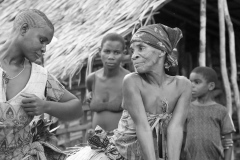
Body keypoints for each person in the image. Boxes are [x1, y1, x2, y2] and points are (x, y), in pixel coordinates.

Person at [67, 23, 192, 160]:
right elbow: (142, 127)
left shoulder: (183, 85)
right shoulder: (132, 81)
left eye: (141, 48)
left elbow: (175, 128)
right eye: (133, 50)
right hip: (121, 155)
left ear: (162, 51)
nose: (134, 56)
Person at [0, 9, 83, 160]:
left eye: (47, 44)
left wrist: (45, 106)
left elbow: (76, 107)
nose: (44, 49)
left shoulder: (40, 77)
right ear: (24, 29)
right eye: (42, 40)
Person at [184, 66, 235, 160]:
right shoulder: (186, 109)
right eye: (190, 81)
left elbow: (228, 141)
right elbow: (180, 137)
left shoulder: (221, 110)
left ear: (211, 86)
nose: (192, 85)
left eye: (197, 82)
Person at [86, 33, 130, 134]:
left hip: (121, 143)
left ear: (123, 53)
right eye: (107, 51)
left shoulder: (129, 80)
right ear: (99, 51)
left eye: (116, 52)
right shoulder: (92, 79)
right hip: (96, 142)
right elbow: (89, 98)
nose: (111, 57)